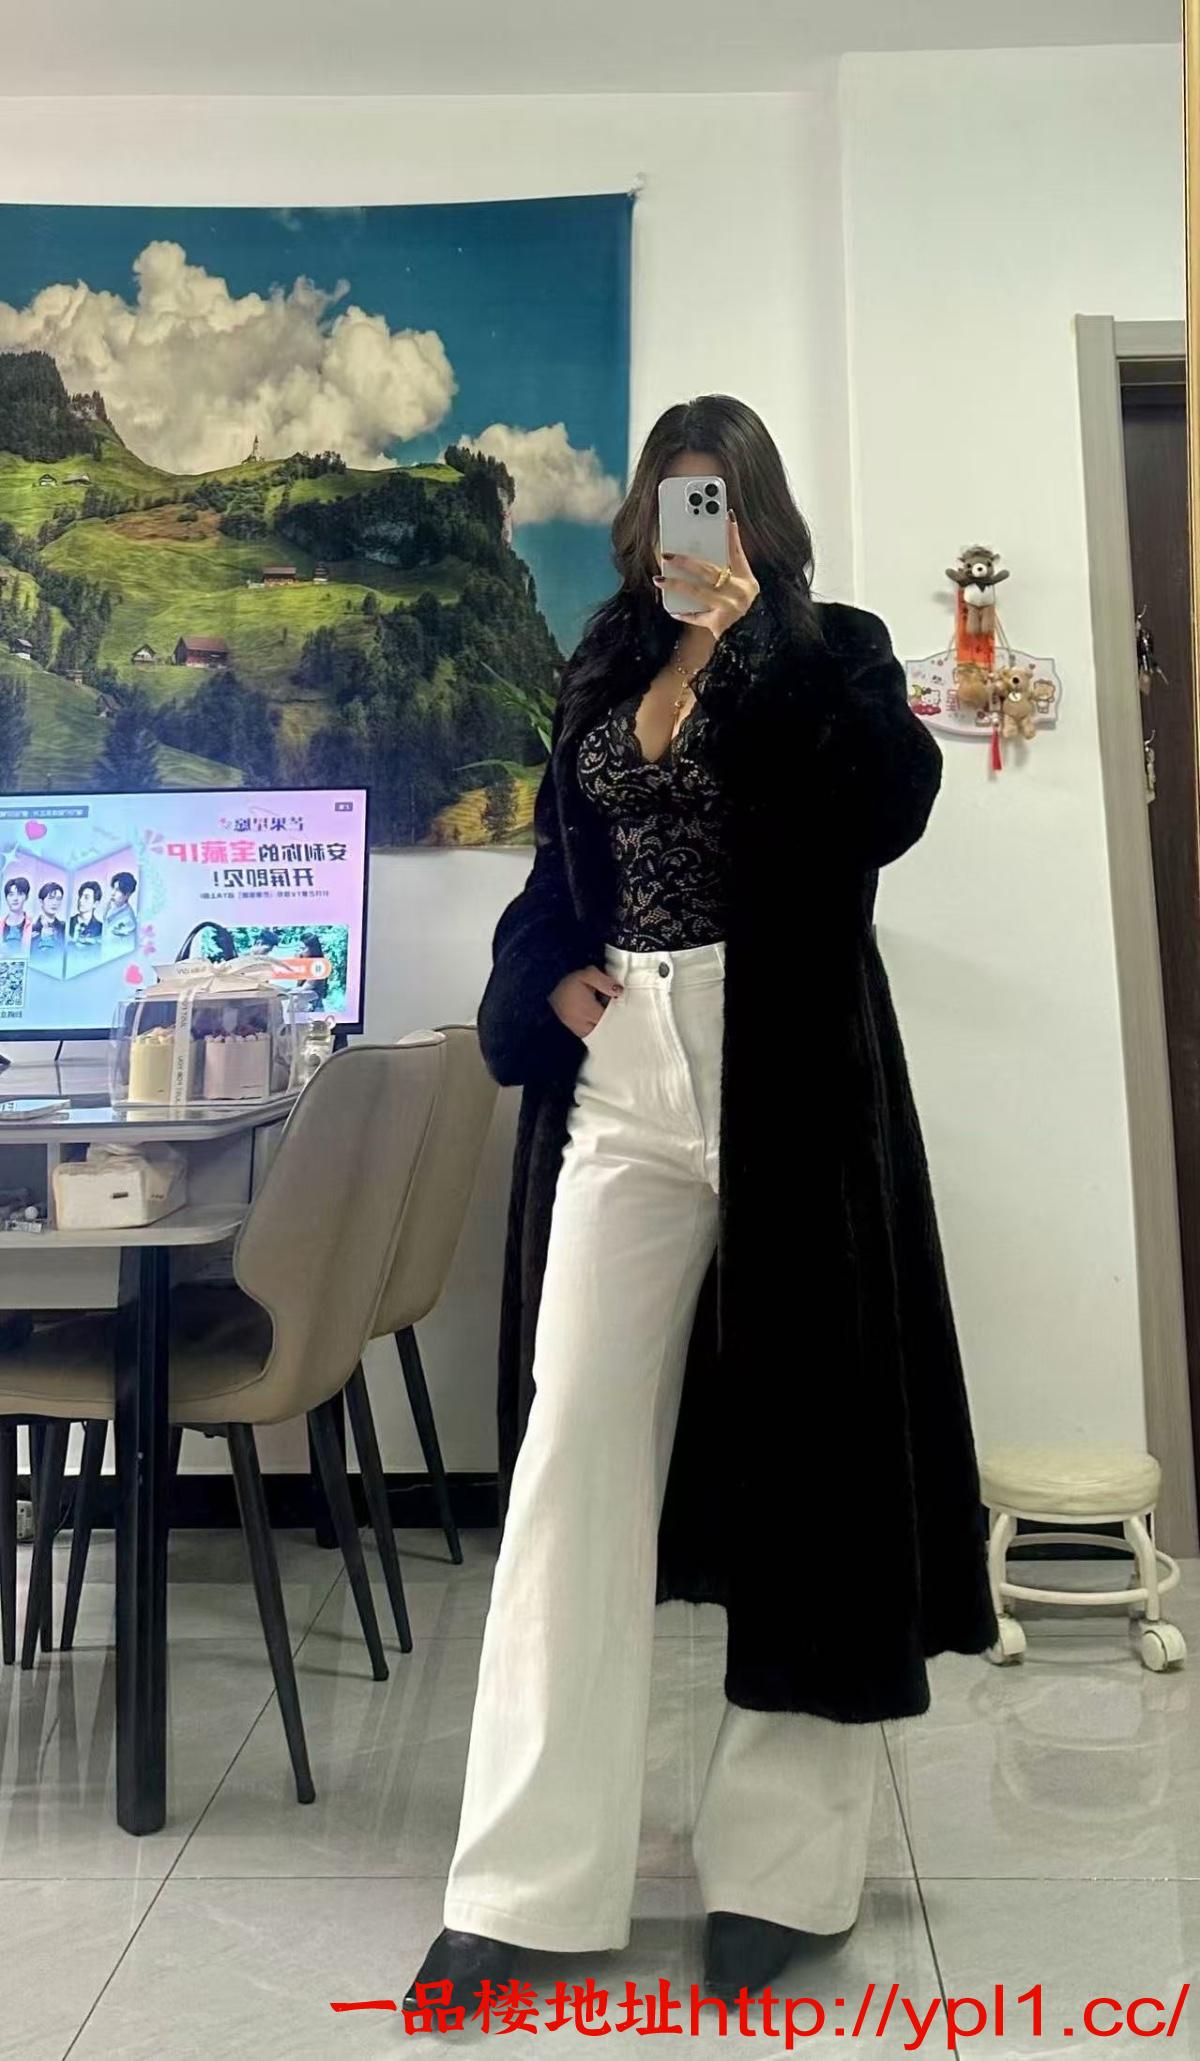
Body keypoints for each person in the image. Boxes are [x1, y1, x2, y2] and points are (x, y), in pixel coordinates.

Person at [405, 395, 997, 2013]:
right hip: (630, 1065)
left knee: (813, 1459)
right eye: (676, 498)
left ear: (761, 517)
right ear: (641, 520)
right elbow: (556, 871)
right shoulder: (601, 662)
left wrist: (756, 647)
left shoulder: (832, 652)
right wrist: (551, 986)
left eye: (720, 499)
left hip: (789, 1066)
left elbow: (887, 807)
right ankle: (522, 1881)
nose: (695, 527)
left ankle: (781, 1877)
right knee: (571, 1453)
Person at [29, 880, 66, 956]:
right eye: (50, 898)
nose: (55, 903)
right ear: (41, 901)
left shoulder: (64, 927)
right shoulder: (31, 928)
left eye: (58, 899)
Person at [104, 870, 138, 943]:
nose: (113, 893)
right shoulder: (110, 907)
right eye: (113, 888)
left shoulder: (128, 920)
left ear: (127, 895)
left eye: (118, 890)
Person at [68, 880, 103, 946]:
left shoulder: (101, 929)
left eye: (86, 898)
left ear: (95, 904)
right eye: (80, 896)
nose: (81, 900)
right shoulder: (67, 924)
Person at [1, 877, 29, 950]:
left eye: (19, 894)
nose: (15, 898)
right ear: (6, 898)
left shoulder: (33, 926)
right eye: (11, 894)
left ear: (26, 897)